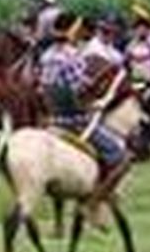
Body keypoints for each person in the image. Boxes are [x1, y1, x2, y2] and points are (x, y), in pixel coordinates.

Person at [38, 13, 129, 204]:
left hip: (53, 120)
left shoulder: (46, 57)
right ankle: (97, 200)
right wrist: (97, 101)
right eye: (79, 29)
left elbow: (45, 88)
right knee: (121, 157)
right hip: (77, 122)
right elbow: (80, 90)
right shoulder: (72, 57)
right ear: (73, 32)